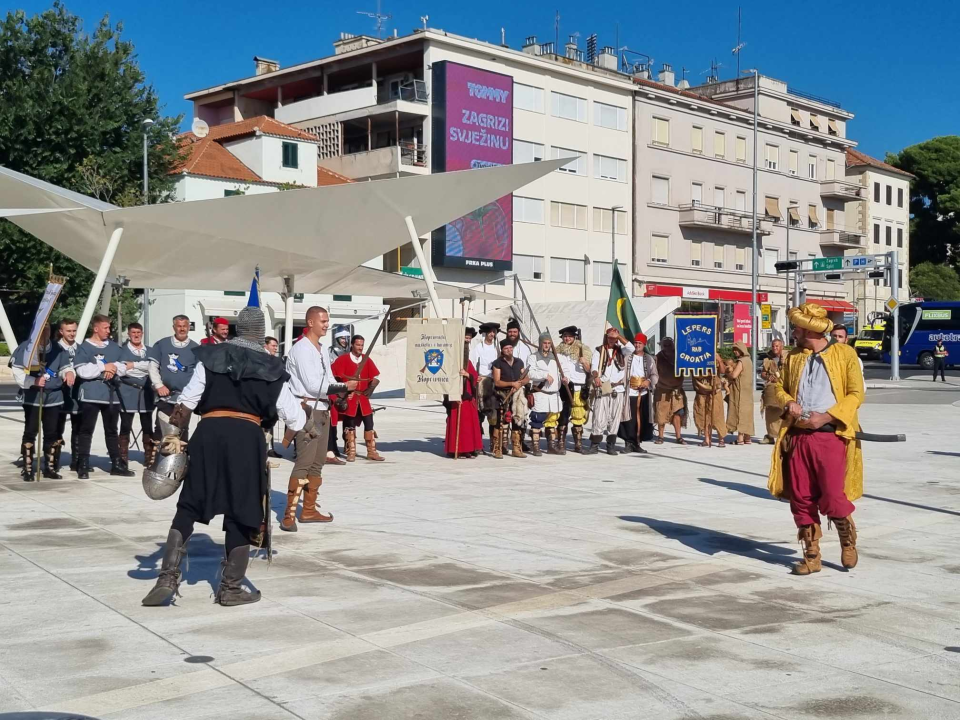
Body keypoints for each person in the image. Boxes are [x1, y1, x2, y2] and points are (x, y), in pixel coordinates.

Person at [141, 306, 317, 607]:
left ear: (237, 329)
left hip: (208, 433)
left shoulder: (211, 357)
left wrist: (172, 440)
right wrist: (308, 418)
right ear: (260, 333)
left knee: (189, 505)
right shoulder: (272, 366)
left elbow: (186, 403)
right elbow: (294, 420)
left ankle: (167, 578)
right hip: (247, 441)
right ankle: (231, 588)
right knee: (242, 509)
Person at [768, 303, 864, 576]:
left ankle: (847, 539)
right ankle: (811, 555)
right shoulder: (794, 357)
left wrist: (827, 417)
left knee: (833, 496)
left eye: (797, 327)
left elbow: (856, 394)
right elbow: (778, 386)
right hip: (798, 436)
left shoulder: (844, 354)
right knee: (800, 497)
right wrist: (788, 402)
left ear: (809, 328)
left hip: (830, 436)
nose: (793, 332)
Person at [281, 306, 356, 532]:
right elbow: (313, 385)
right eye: (322, 320)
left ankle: (309, 509)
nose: (326, 324)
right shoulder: (301, 349)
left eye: (327, 320)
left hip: (322, 409)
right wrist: (342, 386)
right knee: (304, 462)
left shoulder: (321, 349)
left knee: (317, 462)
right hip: (307, 411)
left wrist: (341, 390)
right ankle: (289, 514)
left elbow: (328, 378)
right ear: (310, 322)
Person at [73, 315, 135, 478]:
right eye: (105, 327)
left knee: (112, 430)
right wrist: (102, 367)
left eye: (109, 327)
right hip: (91, 395)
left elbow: (123, 367)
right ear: (96, 328)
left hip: (111, 394)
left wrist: (111, 368)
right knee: (86, 430)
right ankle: (83, 464)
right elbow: (82, 371)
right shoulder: (84, 347)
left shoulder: (115, 348)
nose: (109, 330)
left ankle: (116, 464)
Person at [11, 326, 72, 480]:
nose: (45, 334)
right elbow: (17, 372)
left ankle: (50, 468)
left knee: (51, 432)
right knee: (31, 432)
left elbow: (66, 366)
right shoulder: (26, 348)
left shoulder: (58, 348)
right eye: (41, 331)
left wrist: (69, 373)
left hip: (53, 397)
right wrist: (34, 380)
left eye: (47, 331)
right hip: (34, 397)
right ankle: (28, 467)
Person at [331, 334, 384, 462]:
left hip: (363, 397)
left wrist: (371, 388)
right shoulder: (343, 359)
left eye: (362, 345)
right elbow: (332, 377)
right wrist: (342, 391)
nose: (360, 348)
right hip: (350, 397)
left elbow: (375, 377)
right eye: (358, 345)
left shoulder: (366, 359)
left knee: (369, 423)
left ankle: (371, 451)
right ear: (352, 345)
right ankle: (351, 451)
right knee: (350, 425)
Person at [149, 315, 200, 445]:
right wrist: (159, 385)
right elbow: (152, 366)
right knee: (161, 429)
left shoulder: (195, 348)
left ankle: (180, 463)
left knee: (182, 430)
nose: (182, 329)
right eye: (179, 326)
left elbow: (198, 374)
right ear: (174, 327)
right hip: (166, 396)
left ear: (189, 327)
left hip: (184, 398)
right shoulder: (162, 344)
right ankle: (158, 462)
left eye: (184, 326)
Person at [588, 329, 635, 455]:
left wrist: (619, 336)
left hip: (617, 388)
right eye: (610, 338)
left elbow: (631, 348)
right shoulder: (599, 350)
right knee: (599, 416)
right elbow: (594, 367)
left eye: (614, 338)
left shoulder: (621, 350)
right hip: (604, 386)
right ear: (606, 337)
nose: (612, 340)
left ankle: (610, 446)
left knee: (614, 418)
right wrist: (596, 376)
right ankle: (595, 445)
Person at [117, 322, 156, 471]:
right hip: (128, 391)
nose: (136, 335)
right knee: (125, 425)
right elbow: (123, 370)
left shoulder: (151, 351)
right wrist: (143, 367)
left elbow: (152, 367)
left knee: (147, 425)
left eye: (138, 332)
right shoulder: (122, 351)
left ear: (142, 333)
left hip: (146, 392)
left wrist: (133, 365)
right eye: (133, 333)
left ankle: (149, 457)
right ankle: (123, 458)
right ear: (129, 334)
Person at [445, 328, 483, 458]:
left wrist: (468, 375)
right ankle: (456, 449)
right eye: (465, 338)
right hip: (456, 396)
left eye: (469, 338)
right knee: (457, 424)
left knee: (467, 426)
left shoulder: (468, 359)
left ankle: (467, 449)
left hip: (467, 396)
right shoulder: (452, 357)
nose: (467, 340)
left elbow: (474, 374)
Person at [555, 326, 592, 453]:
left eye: (570, 336)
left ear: (574, 337)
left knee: (578, 415)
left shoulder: (584, 349)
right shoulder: (557, 351)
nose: (567, 338)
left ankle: (578, 444)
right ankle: (560, 443)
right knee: (563, 415)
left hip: (579, 386)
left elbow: (590, 370)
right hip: (565, 386)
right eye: (565, 336)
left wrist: (585, 363)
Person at [619, 332, 657, 453]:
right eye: (636, 342)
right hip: (630, 392)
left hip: (644, 393)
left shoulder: (649, 359)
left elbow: (654, 374)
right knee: (629, 418)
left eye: (640, 343)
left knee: (641, 418)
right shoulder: (628, 356)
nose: (637, 345)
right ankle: (628, 443)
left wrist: (648, 381)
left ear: (644, 344)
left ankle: (637, 443)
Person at [491, 338, 529, 458]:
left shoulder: (519, 362)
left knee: (517, 421)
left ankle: (516, 448)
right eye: (506, 348)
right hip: (502, 395)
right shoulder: (497, 363)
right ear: (502, 350)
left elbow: (527, 378)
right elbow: (497, 382)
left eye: (510, 348)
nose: (509, 350)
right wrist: (512, 384)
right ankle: (497, 448)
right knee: (500, 422)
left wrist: (520, 383)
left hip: (517, 394)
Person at [526, 332, 562, 455]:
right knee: (537, 419)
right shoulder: (533, 357)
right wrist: (544, 375)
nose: (546, 345)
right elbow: (530, 373)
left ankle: (551, 446)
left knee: (552, 420)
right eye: (544, 343)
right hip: (540, 393)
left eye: (549, 343)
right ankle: (535, 446)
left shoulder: (556, 357)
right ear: (540, 343)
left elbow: (564, 371)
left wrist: (566, 378)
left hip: (554, 394)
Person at [54, 318, 81, 473]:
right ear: (61, 331)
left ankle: (76, 461)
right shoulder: (56, 348)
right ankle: (54, 459)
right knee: (57, 427)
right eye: (68, 331)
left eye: (74, 331)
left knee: (78, 427)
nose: (72, 334)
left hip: (77, 392)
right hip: (59, 391)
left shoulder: (81, 348)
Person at [470, 322, 500, 452]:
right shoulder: (478, 348)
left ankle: (494, 444)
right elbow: (472, 364)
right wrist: (476, 377)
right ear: (485, 334)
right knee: (479, 414)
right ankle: (478, 443)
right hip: (481, 382)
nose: (492, 334)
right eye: (490, 332)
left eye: (494, 332)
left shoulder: (497, 348)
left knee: (493, 414)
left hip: (493, 383)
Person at [654, 337, 688, 445]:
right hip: (662, 390)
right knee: (661, 414)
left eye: (669, 345)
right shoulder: (658, 357)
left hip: (677, 390)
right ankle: (660, 436)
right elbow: (654, 373)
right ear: (661, 346)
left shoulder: (680, 355)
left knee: (677, 413)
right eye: (665, 345)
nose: (667, 347)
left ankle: (678, 437)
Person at [725, 341, 756, 445]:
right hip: (747, 392)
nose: (735, 352)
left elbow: (734, 375)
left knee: (740, 413)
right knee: (748, 415)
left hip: (740, 392)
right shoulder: (749, 360)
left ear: (741, 350)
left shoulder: (741, 361)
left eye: (736, 350)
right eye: (734, 350)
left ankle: (740, 439)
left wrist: (727, 373)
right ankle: (748, 438)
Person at [693, 357, 728, 448]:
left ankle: (721, 439)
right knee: (703, 416)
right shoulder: (694, 356)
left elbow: (723, 370)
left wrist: (719, 359)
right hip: (701, 392)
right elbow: (695, 374)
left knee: (717, 416)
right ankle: (707, 439)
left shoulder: (714, 355)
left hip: (715, 392)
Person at [760, 339, 785, 444]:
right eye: (773, 346)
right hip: (771, 390)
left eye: (777, 346)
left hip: (783, 388)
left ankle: (782, 435)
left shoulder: (787, 358)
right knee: (770, 413)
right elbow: (763, 374)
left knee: (783, 412)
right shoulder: (768, 359)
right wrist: (768, 376)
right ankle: (770, 435)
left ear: (782, 347)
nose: (775, 348)